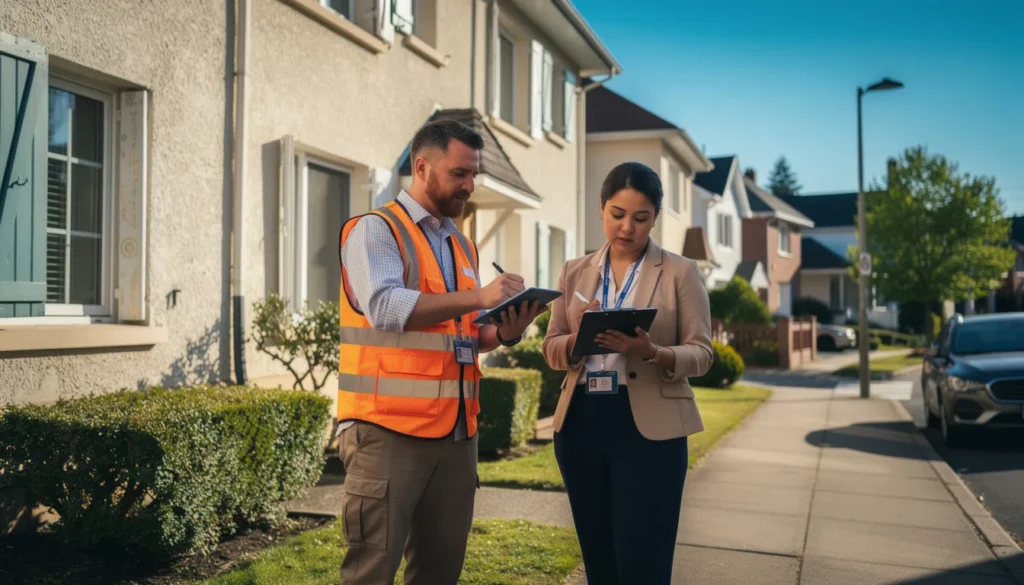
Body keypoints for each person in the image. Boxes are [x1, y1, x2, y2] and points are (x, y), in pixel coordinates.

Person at [338, 119, 547, 584]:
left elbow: (469, 334)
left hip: (456, 436)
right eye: (459, 173)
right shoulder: (375, 230)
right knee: (370, 573)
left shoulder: (461, 245)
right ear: (422, 167)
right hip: (386, 432)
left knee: (439, 573)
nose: (469, 185)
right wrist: (480, 296)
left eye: (474, 174)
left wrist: (507, 330)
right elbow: (385, 308)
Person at [541, 161, 714, 585]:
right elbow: (551, 347)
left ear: (655, 218)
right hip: (581, 424)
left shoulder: (680, 271)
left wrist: (652, 352)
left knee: (644, 560)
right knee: (599, 556)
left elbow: (702, 354)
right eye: (617, 214)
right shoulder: (574, 271)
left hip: (650, 432)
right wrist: (579, 339)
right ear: (601, 208)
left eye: (640, 218)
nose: (627, 227)